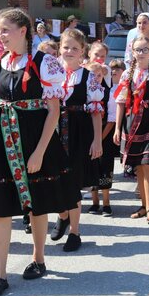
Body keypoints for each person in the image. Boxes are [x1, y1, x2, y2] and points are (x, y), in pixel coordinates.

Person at [0, 7, 71, 296]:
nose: (1, 36)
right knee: (0, 206)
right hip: (0, 139)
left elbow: (53, 111)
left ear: (22, 31)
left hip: (32, 138)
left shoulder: (44, 63)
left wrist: (40, 152)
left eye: (6, 29)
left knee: (39, 202)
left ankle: (38, 258)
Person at [50, 29, 104, 252]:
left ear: (83, 51)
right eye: (65, 47)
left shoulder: (88, 76)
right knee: (53, 179)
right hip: (52, 130)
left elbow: (95, 110)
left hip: (78, 131)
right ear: (59, 49)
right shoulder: (50, 72)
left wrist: (98, 141)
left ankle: (75, 231)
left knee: (72, 182)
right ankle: (63, 215)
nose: (69, 51)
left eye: (74, 48)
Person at [114, 36, 149, 224]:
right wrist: (117, 129)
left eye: (145, 49)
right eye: (138, 50)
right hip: (131, 123)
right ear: (132, 51)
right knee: (138, 166)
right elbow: (121, 103)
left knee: (148, 165)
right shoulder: (127, 74)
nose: (141, 53)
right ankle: (144, 205)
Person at [90, 59, 125, 216]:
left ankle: (106, 203)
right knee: (92, 168)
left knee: (105, 168)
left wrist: (100, 138)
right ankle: (94, 202)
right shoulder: (87, 92)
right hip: (89, 135)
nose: (96, 78)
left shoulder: (109, 92)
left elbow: (112, 119)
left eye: (99, 75)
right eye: (93, 75)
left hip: (105, 135)